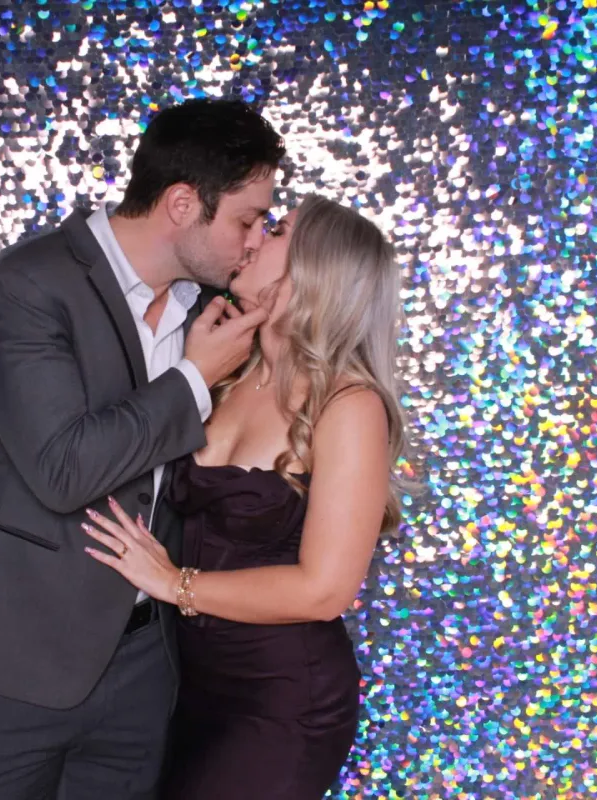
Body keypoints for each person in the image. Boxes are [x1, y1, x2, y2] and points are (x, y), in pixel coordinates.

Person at [0, 98, 285, 799]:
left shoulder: (208, 310)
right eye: (246, 219)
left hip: (145, 668)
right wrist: (194, 379)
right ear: (183, 204)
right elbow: (65, 470)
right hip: (13, 660)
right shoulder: (29, 284)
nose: (254, 240)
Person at [81, 194, 412, 800]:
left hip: (281, 701)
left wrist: (174, 583)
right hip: (185, 688)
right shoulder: (227, 370)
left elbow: (325, 590)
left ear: (317, 268)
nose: (253, 237)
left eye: (277, 230)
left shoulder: (348, 404)